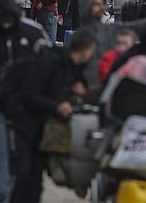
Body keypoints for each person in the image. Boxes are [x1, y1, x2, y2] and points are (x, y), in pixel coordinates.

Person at [0, 0, 49, 203]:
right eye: (1, 17)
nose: (5, 22)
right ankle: (4, 196)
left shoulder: (33, 32)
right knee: (0, 152)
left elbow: (49, 66)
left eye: (9, 17)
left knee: (27, 154)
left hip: (28, 104)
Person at [8, 29, 97, 203]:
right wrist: (57, 106)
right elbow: (29, 95)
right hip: (25, 125)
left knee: (35, 179)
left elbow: (78, 86)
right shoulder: (52, 62)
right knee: (23, 175)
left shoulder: (73, 69)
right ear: (86, 49)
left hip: (44, 129)